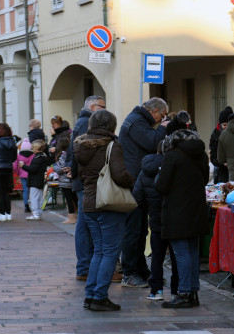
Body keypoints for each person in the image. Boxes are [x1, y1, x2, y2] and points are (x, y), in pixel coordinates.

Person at [74, 109, 134, 312]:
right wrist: (131, 179)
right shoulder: (111, 145)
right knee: (110, 251)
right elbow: (119, 175)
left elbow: (80, 174)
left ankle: (90, 295)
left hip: (89, 203)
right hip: (108, 203)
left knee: (98, 251)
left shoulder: (80, 145)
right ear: (111, 126)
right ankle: (99, 296)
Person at [155, 128, 209, 308]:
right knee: (192, 250)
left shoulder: (172, 156)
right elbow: (204, 178)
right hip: (196, 208)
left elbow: (162, 186)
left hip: (177, 211)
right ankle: (192, 291)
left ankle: (184, 292)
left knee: (181, 252)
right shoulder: (201, 155)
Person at [118, 97, 169, 288]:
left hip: (137, 181)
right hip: (133, 183)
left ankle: (140, 270)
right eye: (162, 116)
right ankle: (129, 273)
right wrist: (164, 128)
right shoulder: (137, 122)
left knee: (140, 230)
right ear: (155, 111)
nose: (161, 119)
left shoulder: (137, 120)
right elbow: (153, 142)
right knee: (133, 230)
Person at [65, 95, 106, 282]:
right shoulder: (86, 122)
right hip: (84, 181)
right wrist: (75, 172)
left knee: (85, 222)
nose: (104, 110)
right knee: (84, 223)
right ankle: (84, 266)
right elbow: (76, 151)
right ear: (92, 106)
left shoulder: (84, 121)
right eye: (101, 106)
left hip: (82, 179)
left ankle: (85, 266)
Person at [133, 141, 180, 301]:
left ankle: (156, 290)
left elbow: (137, 197)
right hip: (174, 220)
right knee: (176, 257)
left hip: (155, 219)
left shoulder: (145, 170)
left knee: (157, 257)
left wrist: (149, 207)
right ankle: (176, 290)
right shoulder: (174, 168)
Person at [20, 139, 50, 221]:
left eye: (32, 148)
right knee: (39, 197)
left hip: (35, 180)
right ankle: (38, 213)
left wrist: (23, 166)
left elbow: (33, 169)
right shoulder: (44, 156)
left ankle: (35, 213)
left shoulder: (37, 158)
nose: (31, 149)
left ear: (36, 148)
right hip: (40, 180)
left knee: (33, 197)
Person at [51, 138, 77, 224]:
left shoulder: (62, 155)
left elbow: (61, 169)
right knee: (75, 199)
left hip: (65, 182)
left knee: (69, 200)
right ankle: (80, 215)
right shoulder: (71, 154)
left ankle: (71, 217)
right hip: (71, 180)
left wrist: (54, 167)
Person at [209, 106, 232, 184]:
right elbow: (213, 157)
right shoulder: (215, 135)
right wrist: (223, 163)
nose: (226, 128)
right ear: (220, 124)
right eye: (224, 125)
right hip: (221, 172)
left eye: (229, 125)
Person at [13, 138, 34, 213]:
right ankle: (33, 205)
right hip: (31, 174)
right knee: (32, 190)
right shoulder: (33, 155)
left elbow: (15, 166)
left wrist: (19, 173)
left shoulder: (18, 156)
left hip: (22, 175)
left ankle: (26, 206)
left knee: (25, 190)